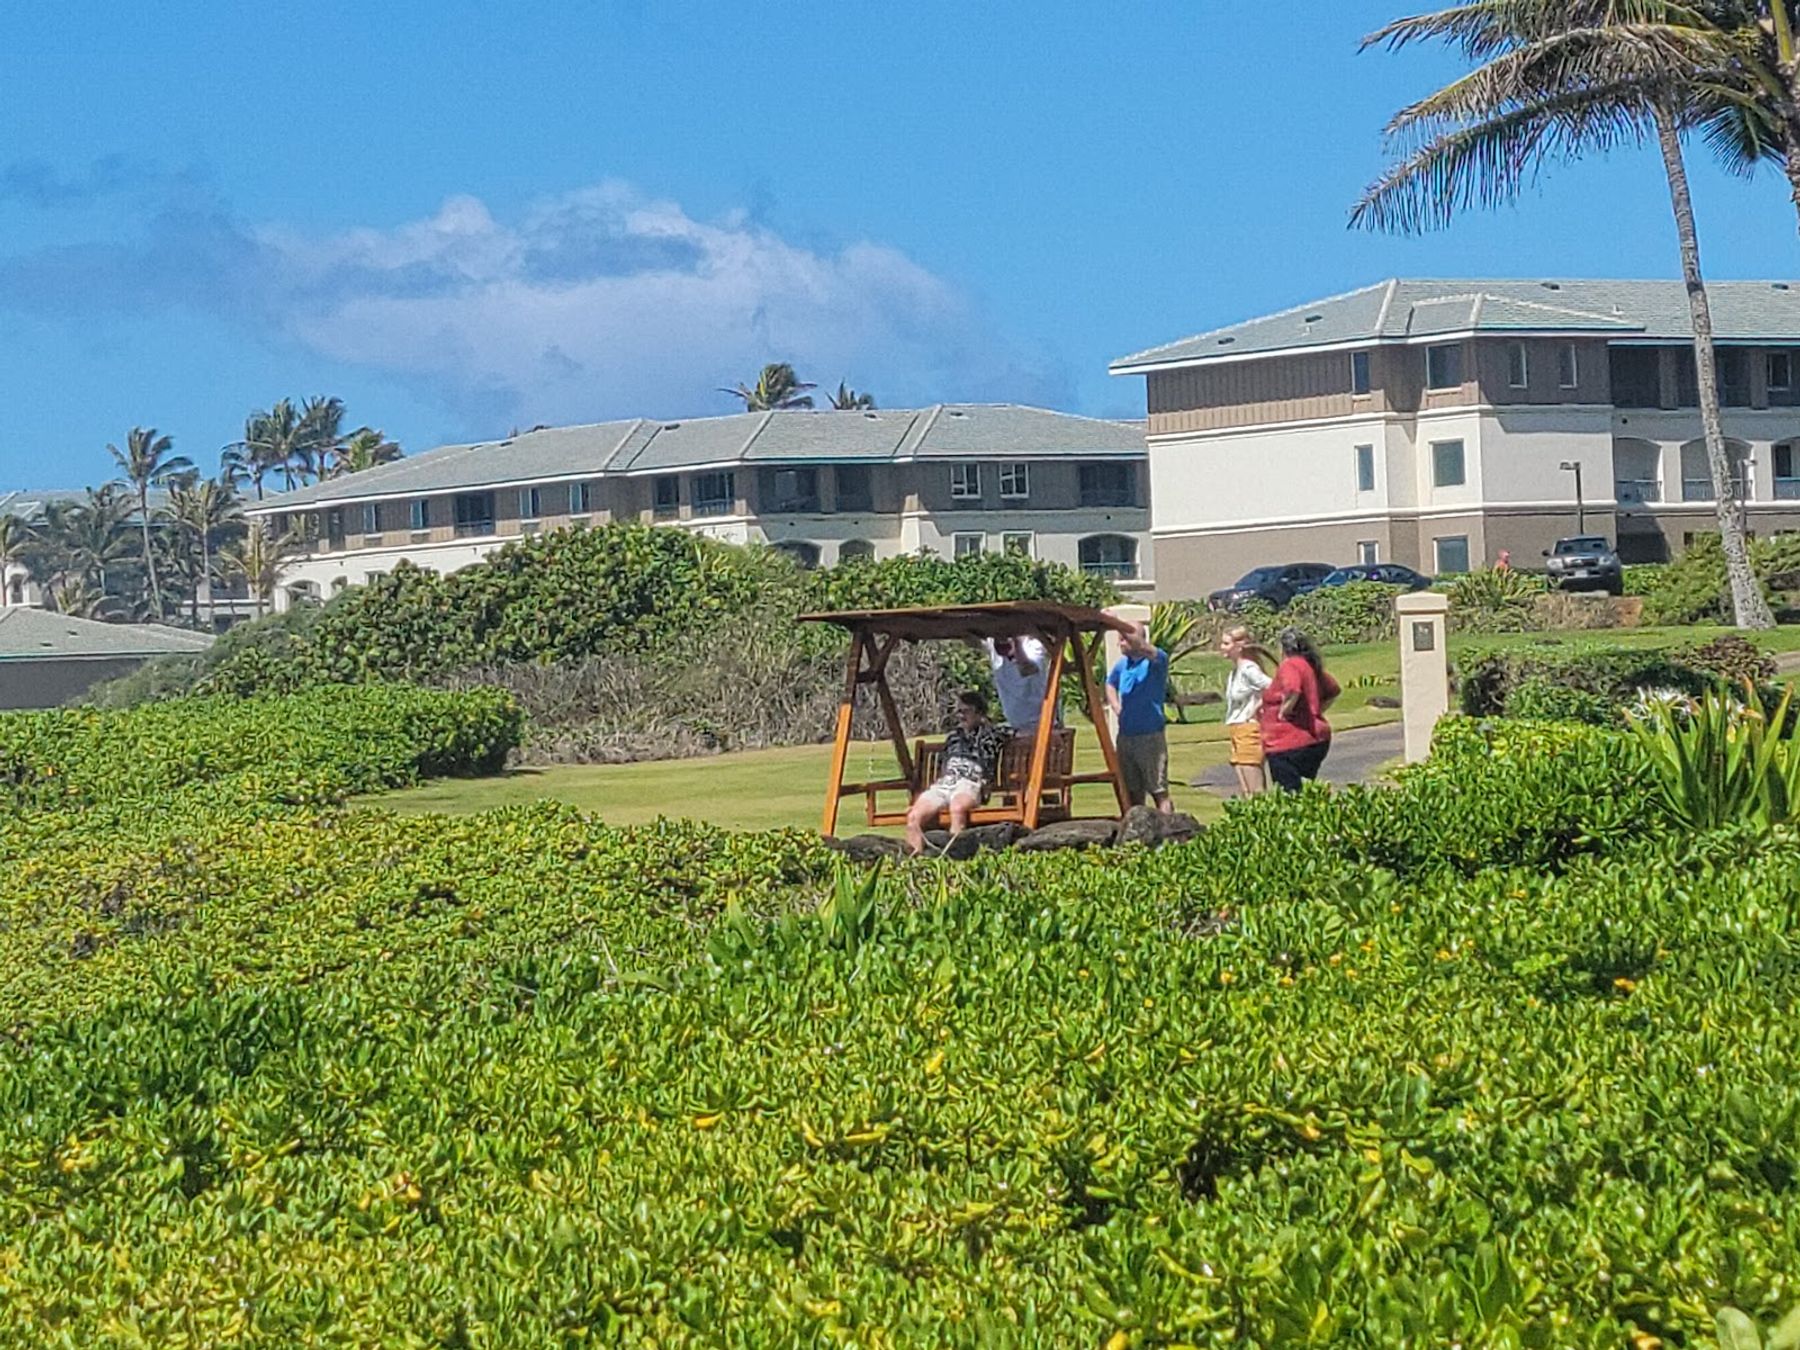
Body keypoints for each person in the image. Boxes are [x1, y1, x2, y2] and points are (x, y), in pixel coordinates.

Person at [906, 690, 1008, 855]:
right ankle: (915, 860)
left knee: (957, 808)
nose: (961, 716)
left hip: (969, 782)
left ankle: (955, 857)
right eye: (959, 712)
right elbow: (944, 764)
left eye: (966, 711)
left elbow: (1011, 731)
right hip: (945, 783)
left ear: (979, 713)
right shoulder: (953, 737)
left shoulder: (990, 735)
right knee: (913, 817)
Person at [1259, 627, 1341, 792]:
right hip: (1314, 739)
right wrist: (1316, 709)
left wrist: (1284, 711)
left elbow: (1293, 689)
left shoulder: (1290, 665)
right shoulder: (1310, 665)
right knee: (1306, 789)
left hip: (1288, 741)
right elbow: (1332, 690)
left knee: (1290, 792)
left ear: (1282, 648)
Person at [1105, 621, 1172, 814]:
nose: (1120, 643)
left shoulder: (1156, 661)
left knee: (1158, 790)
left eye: (1124, 639)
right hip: (1126, 736)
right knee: (1132, 792)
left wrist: (1117, 622)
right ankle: (1138, 829)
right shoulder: (1122, 665)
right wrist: (1116, 706)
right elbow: (1110, 683)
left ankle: (1168, 827)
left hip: (1149, 735)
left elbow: (1142, 646)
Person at [1219, 625, 1275, 796]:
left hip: (1248, 729)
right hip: (1236, 729)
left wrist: (1258, 707)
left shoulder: (1249, 669)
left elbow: (1274, 687)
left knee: (1256, 791)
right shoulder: (1235, 671)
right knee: (1246, 791)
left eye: (1226, 643)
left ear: (1239, 647)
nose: (1222, 647)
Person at [981, 633, 1054, 733]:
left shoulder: (1033, 646)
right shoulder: (997, 651)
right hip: (1017, 728)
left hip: (1042, 726)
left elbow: (1027, 669)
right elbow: (973, 641)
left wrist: (1016, 641)